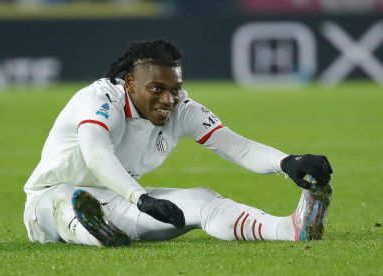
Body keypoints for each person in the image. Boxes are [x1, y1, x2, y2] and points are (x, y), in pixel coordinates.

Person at [23, 39, 333, 246]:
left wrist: (286, 161)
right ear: (130, 83)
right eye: (156, 88)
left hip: (121, 200)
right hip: (46, 203)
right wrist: (140, 197)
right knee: (65, 200)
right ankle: (95, 231)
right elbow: (96, 154)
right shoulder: (99, 100)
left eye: (175, 89)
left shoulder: (182, 108)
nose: (168, 99)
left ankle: (289, 229)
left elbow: (237, 146)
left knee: (204, 200)